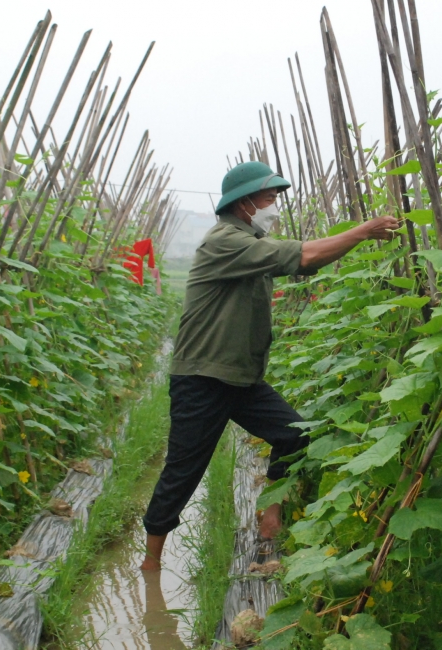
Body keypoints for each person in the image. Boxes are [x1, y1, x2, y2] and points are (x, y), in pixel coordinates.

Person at [140, 161, 400, 571]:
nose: (274, 207)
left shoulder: (251, 241)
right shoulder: (225, 240)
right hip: (202, 378)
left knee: (293, 434)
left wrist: (357, 239)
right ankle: (150, 563)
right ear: (244, 202)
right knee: (183, 472)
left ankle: (270, 517)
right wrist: (364, 231)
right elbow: (304, 254)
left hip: (241, 379)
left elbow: (308, 262)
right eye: (269, 198)